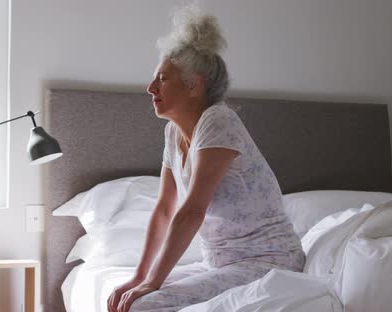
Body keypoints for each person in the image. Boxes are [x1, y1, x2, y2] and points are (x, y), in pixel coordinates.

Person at [108, 6, 304, 312]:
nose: (150, 88)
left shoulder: (218, 121)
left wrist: (153, 283)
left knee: (142, 306)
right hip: (219, 264)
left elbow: (191, 211)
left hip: (268, 262)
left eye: (162, 79)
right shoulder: (173, 133)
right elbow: (164, 210)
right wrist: (140, 277)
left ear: (194, 85)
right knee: (123, 298)